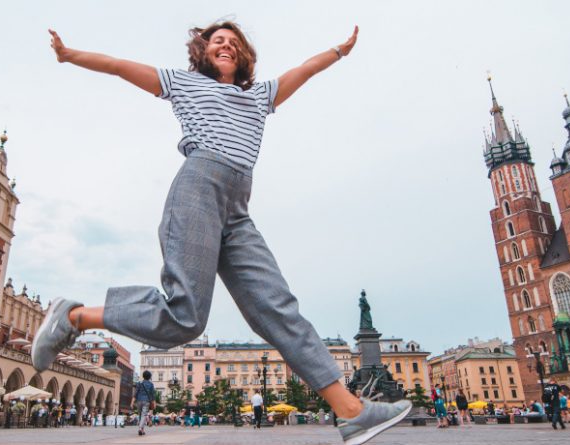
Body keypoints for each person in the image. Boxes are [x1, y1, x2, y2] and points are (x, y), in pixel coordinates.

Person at [32, 20, 410, 445]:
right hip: (199, 188)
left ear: (243, 55)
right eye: (217, 42)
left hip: (237, 209)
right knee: (185, 317)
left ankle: (351, 411)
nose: (226, 46)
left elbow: (302, 71)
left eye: (233, 43)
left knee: (277, 306)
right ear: (203, 51)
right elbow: (120, 65)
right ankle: (75, 316)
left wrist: (338, 52)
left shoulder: (260, 94)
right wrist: (70, 55)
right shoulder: (183, 84)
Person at [132, 370, 156, 436]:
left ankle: (142, 430)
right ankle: (140, 428)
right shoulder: (151, 384)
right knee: (144, 415)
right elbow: (153, 395)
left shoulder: (139, 383)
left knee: (140, 415)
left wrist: (132, 402)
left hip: (139, 401)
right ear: (150, 377)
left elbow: (135, 393)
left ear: (143, 376)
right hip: (146, 401)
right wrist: (154, 403)